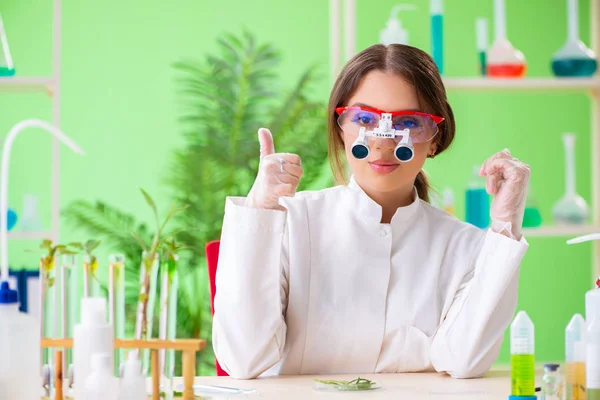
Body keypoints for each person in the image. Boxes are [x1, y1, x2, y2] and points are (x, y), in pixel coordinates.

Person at [212, 44, 530, 380]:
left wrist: (505, 226)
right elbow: (243, 359)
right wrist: (260, 211)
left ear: (434, 138)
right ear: (341, 129)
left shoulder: (462, 245)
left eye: (408, 123)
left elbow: (464, 360)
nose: (383, 143)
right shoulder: (293, 222)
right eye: (365, 120)